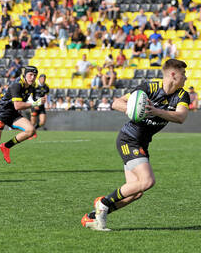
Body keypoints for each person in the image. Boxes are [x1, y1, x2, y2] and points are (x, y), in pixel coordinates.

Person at [81, 59, 190, 231]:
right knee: (147, 181)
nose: (186, 77)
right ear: (173, 74)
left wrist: (156, 111)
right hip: (128, 139)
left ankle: (93, 217)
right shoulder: (149, 88)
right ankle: (102, 202)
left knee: (136, 192)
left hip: (142, 143)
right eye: (183, 74)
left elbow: (181, 117)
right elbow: (116, 103)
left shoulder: (182, 95)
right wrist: (132, 108)